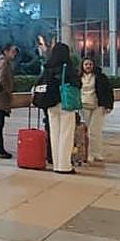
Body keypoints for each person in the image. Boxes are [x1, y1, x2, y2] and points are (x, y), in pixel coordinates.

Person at [43, 43, 79, 174]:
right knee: (66, 134)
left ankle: (56, 164)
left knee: (54, 134)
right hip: (65, 104)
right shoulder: (67, 67)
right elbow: (77, 83)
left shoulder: (48, 67)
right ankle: (64, 166)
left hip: (50, 104)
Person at [79, 57, 114, 163]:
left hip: (98, 106)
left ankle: (96, 153)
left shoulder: (100, 77)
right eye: (86, 64)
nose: (88, 66)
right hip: (84, 106)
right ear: (82, 66)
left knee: (95, 131)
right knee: (87, 132)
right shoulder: (78, 77)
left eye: (90, 64)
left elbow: (108, 91)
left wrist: (109, 105)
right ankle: (88, 154)